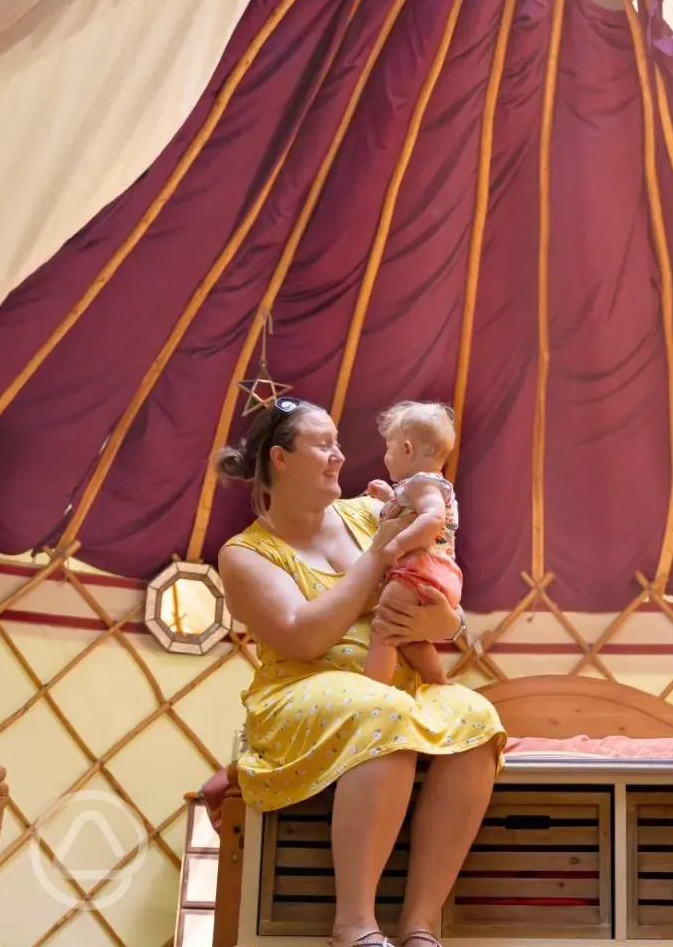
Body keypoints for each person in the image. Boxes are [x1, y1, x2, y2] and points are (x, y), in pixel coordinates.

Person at [200, 395, 506, 947]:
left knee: (475, 715)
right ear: (281, 459)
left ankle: (421, 926)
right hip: (302, 693)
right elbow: (305, 636)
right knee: (379, 707)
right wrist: (376, 557)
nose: (340, 456)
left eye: (338, 443)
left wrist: (446, 619)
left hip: (399, 681)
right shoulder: (246, 554)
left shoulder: (371, 513)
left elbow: (439, 593)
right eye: (323, 445)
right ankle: (355, 925)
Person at [363, 401, 462, 687]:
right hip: (435, 573)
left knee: (384, 628)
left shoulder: (423, 483)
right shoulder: (421, 486)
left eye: (389, 448)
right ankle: (437, 683)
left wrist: (398, 546)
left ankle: (372, 691)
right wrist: (389, 497)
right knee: (407, 634)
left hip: (420, 568)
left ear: (407, 449)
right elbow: (412, 511)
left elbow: (432, 519)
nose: (386, 455)